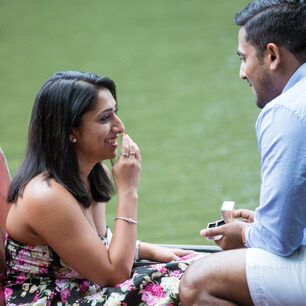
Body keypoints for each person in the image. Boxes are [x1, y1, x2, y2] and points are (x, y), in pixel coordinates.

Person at [4, 71, 201, 305]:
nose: (120, 126)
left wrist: (149, 251)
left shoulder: (93, 174)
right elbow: (113, 275)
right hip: (51, 298)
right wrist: (128, 191)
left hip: (88, 288)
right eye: (105, 118)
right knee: (195, 285)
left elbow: (101, 246)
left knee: (200, 273)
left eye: (115, 113)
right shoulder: (45, 195)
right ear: (71, 132)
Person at [179, 0, 306, 305]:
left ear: (272, 55)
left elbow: (279, 240)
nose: (241, 73)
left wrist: (245, 235)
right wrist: (262, 224)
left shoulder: (286, 111)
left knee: (197, 282)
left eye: (244, 58)